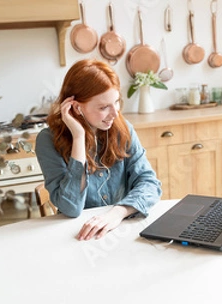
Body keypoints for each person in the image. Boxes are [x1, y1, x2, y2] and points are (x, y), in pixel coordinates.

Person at [35, 59, 162, 241]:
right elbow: (71, 207)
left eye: (116, 102)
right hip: (78, 236)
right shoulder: (48, 140)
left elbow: (150, 184)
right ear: (76, 107)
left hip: (122, 229)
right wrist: (79, 138)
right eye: (103, 107)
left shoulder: (122, 128)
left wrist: (116, 214)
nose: (115, 113)